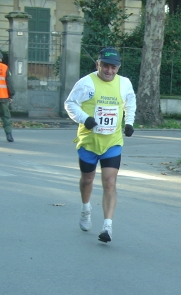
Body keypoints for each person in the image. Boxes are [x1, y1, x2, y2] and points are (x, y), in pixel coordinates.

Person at [64, 47, 136, 243]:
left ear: (118, 68)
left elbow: (130, 103)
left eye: (113, 67)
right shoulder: (86, 83)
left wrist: (129, 122)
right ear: (98, 64)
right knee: (87, 180)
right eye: (105, 66)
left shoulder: (124, 84)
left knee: (110, 182)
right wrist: (85, 118)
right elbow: (70, 104)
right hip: (88, 141)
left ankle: (107, 226)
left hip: (112, 142)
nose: (109, 71)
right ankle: (86, 208)